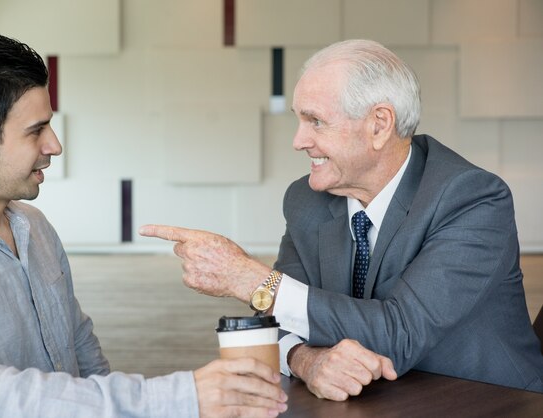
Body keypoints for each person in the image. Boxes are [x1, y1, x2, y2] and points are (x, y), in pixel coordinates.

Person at [140, 39, 543, 398]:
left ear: (379, 125)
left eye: (315, 121)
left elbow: (398, 335)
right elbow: (279, 318)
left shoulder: (470, 198)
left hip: (489, 401)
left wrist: (251, 279)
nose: (298, 141)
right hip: (373, 402)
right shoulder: (305, 199)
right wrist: (305, 360)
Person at [0, 29, 288, 417]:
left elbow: (78, 349)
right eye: (35, 131)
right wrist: (175, 398)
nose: (54, 145)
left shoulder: (33, 227)